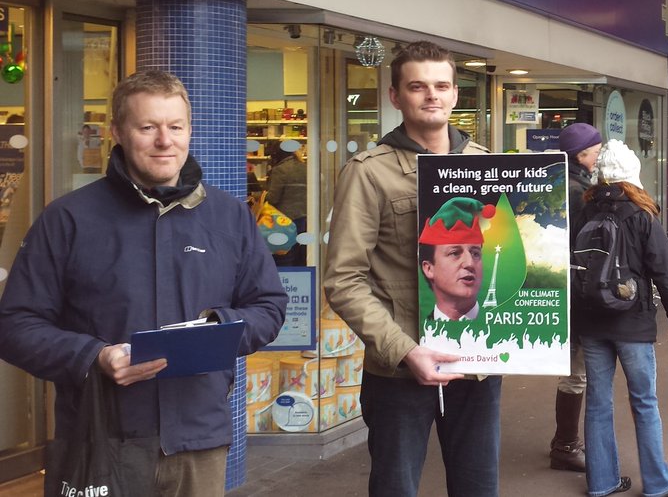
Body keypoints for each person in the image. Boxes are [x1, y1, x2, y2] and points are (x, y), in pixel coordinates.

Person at [0, 70, 287, 496]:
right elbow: (15, 325)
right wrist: (94, 356)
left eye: (176, 127)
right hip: (101, 439)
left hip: (198, 442)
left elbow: (269, 306)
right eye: (148, 127)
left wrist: (216, 329)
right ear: (117, 132)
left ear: (189, 130)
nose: (164, 141)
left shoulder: (228, 217)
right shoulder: (68, 219)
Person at [323, 41, 499, 497]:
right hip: (400, 369)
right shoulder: (368, 172)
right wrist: (403, 350)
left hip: (475, 362)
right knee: (395, 487)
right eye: (418, 86)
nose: (431, 95)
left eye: (441, 86)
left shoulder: (486, 165)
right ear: (395, 96)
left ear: (455, 94)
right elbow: (343, 280)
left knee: (478, 487)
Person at [576, 139, 668, 497]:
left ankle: (602, 482)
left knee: (598, 402)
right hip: (632, 322)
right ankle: (657, 483)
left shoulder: (585, 211)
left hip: (591, 321)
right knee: (644, 401)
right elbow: (666, 270)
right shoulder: (641, 215)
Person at [547, 121, 602, 472]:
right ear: (581, 155)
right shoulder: (579, 192)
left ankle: (565, 442)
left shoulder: (558, 183)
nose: (599, 157)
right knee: (576, 371)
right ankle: (566, 445)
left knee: (575, 368)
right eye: (596, 151)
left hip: (563, 283)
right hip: (576, 286)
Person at [418, 197, 495, 321]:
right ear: (429, 269)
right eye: (455, 253)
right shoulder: (416, 326)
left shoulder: (504, 325)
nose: (470, 263)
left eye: (475, 254)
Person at [265, 141, 308, 266]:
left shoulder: (280, 170)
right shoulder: (305, 167)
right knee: (302, 258)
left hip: (285, 221)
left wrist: (260, 196)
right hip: (305, 219)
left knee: (285, 258)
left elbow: (273, 198)